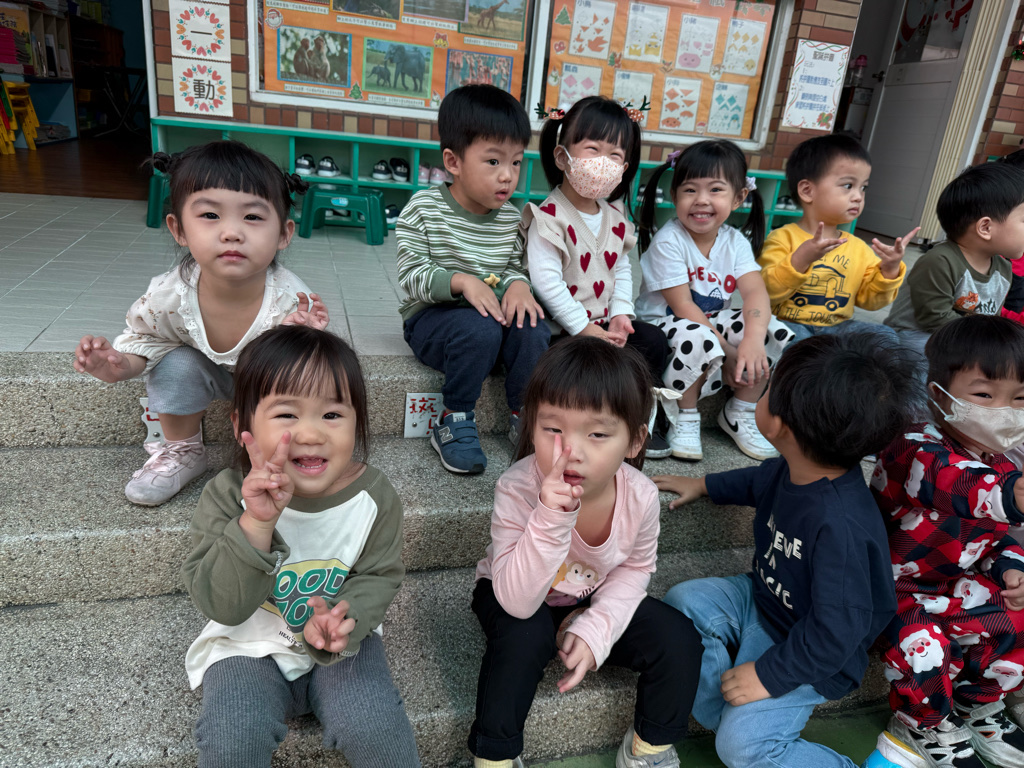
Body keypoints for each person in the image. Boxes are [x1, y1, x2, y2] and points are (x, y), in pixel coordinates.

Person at [653, 333, 920, 768]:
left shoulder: (842, 528)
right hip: (764, 600)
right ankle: (732, 716)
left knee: (742, 748)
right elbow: (756, 481)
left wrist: (767, 675)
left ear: (779, 426)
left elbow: (836, 634)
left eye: (768, 388)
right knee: (685, 601)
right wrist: (703, 484)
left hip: (813, 650)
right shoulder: (796, 468)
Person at [181, 325, 420, 768]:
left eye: (331, 414)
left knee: (374, 726)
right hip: (247, 644)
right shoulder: (227, 495)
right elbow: (221, 605)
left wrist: (345, 618)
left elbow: (379, 574)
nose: (310, 434)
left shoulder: (373, 496)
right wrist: (256, 523)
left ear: (357, 421)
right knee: (233, 736)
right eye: (287, 414)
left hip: (341, 641)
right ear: (242, 425)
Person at [468, 337, 702, 768]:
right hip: (510, 588)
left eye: (597, 434)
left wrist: (598, 627)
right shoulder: (517, 487)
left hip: (589, 594)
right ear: (531, 427)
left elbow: (635, 569)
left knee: (678, 637)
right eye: (552, 429)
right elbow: (517, 601)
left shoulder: (641, 496)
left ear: (634, 441)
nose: (570, 451)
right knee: (523, 638)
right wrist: (551, 516)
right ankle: (495, 757)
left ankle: (648, 749)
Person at [72, 141, 328, 506]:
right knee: (176, 363)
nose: (231, 232)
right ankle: (183, 451)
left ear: (284, 234)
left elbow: (316, 376)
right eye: (210, 215)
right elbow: (147, 344)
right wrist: (116, 367)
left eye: (252, 217)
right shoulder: (168, 296)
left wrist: (304, 339)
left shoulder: (291, 300)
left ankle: (280, 454)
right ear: (178, 229)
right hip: (204, 373)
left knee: (296, 381)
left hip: (265, 382)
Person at [869, 314, 1024, 768]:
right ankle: (923, 724)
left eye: (1019, 398)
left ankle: (977, 704)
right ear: (939, 394)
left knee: (1018, 615)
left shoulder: (999, 460)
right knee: (925, 647)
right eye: (985, 395)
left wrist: (1011, 567)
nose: (1005, 410)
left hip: (951, 586)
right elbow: (955, 484)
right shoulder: (914, 447)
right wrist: (1008, 496)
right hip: (890, 592)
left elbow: (992, 538)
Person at [397, 84, 549, 475]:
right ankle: (454, 418)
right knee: (478, 329)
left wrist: (519, 285)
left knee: (533, 325)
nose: (508, 176)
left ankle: (525, 415)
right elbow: (411, 275)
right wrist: (462, 282)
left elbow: (515, 266)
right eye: (493, 161)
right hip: (433, 323)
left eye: (516, 162)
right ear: (453, 161)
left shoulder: (511, 218)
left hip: (491, 322)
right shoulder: (424, 208)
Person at [521, 96, 672, 460]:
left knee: (652, 341)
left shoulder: (616, 218)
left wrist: (621, 315)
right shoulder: (548, 217)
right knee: (567, 360)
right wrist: (583, 328)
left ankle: (641, 418)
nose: (604, 163)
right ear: (563, 157)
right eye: (593, 149)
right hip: (562, 330)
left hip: (604, 325)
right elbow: (546, 282)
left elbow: (621, 269)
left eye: (615, 155)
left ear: (625, 167)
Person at [634, 139, 795, 463]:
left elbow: (755, 292)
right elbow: (683, 307)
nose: (701, 200)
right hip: (664, 326)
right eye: (690, 190)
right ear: (675, 195)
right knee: (699, 337)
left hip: (707, 324)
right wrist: (729, 352)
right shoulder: (669, 241)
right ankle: (685, 415)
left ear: (739, 197)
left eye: (716, 190)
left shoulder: (734, 241)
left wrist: (751, 340)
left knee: (768, 328)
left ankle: (741, 410)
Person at [758, 134, 918, 342]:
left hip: (838, 328)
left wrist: (889, 270)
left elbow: (870, 302)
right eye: (848, 186)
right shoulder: (781, 238)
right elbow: (765, 293)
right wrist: (800, 260)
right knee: (788, 343)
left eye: (863, 187)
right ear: (807, 191)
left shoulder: (858, 248)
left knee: (885, 337)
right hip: (788, 324)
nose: (858, 196)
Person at [886, 162, 1024, 359]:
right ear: (985, 228)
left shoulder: (1003, 269)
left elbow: (992, 315)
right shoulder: (940, 261)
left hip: (962, 338)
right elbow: (934, 318)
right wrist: (982, 342)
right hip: (915, 337)